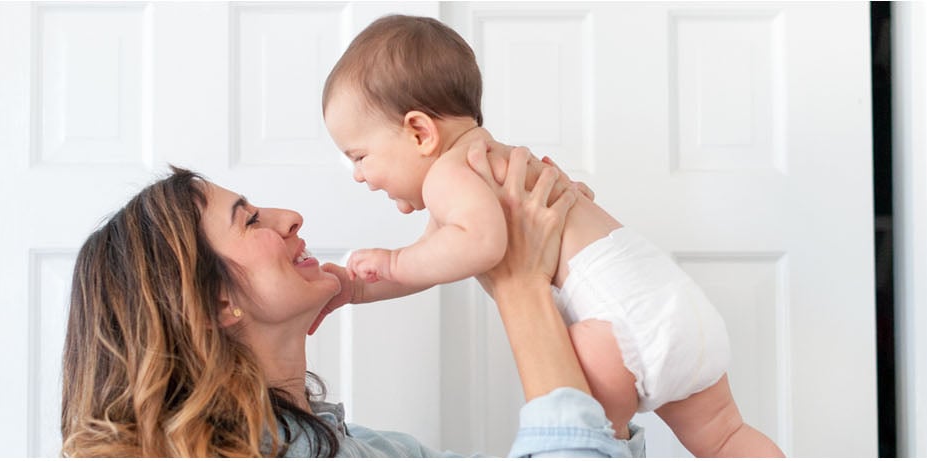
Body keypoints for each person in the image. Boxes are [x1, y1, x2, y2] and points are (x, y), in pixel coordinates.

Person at [319, 15, 782, 456]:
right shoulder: (487, 163)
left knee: (593, 440)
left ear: (419, 132)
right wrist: (359, 288)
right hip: (674, 307)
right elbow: (438, 257)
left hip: (619, 331)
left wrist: (395, 262)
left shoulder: (450, 177)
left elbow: (482, 244)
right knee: (725, 439)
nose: (360, 176)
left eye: (359, 157)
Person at [58, 141, 637, 457]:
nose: (290, 218)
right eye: (251, 219)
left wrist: (565, 271)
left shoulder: (388, 451)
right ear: (215, 303)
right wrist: (518, 283)